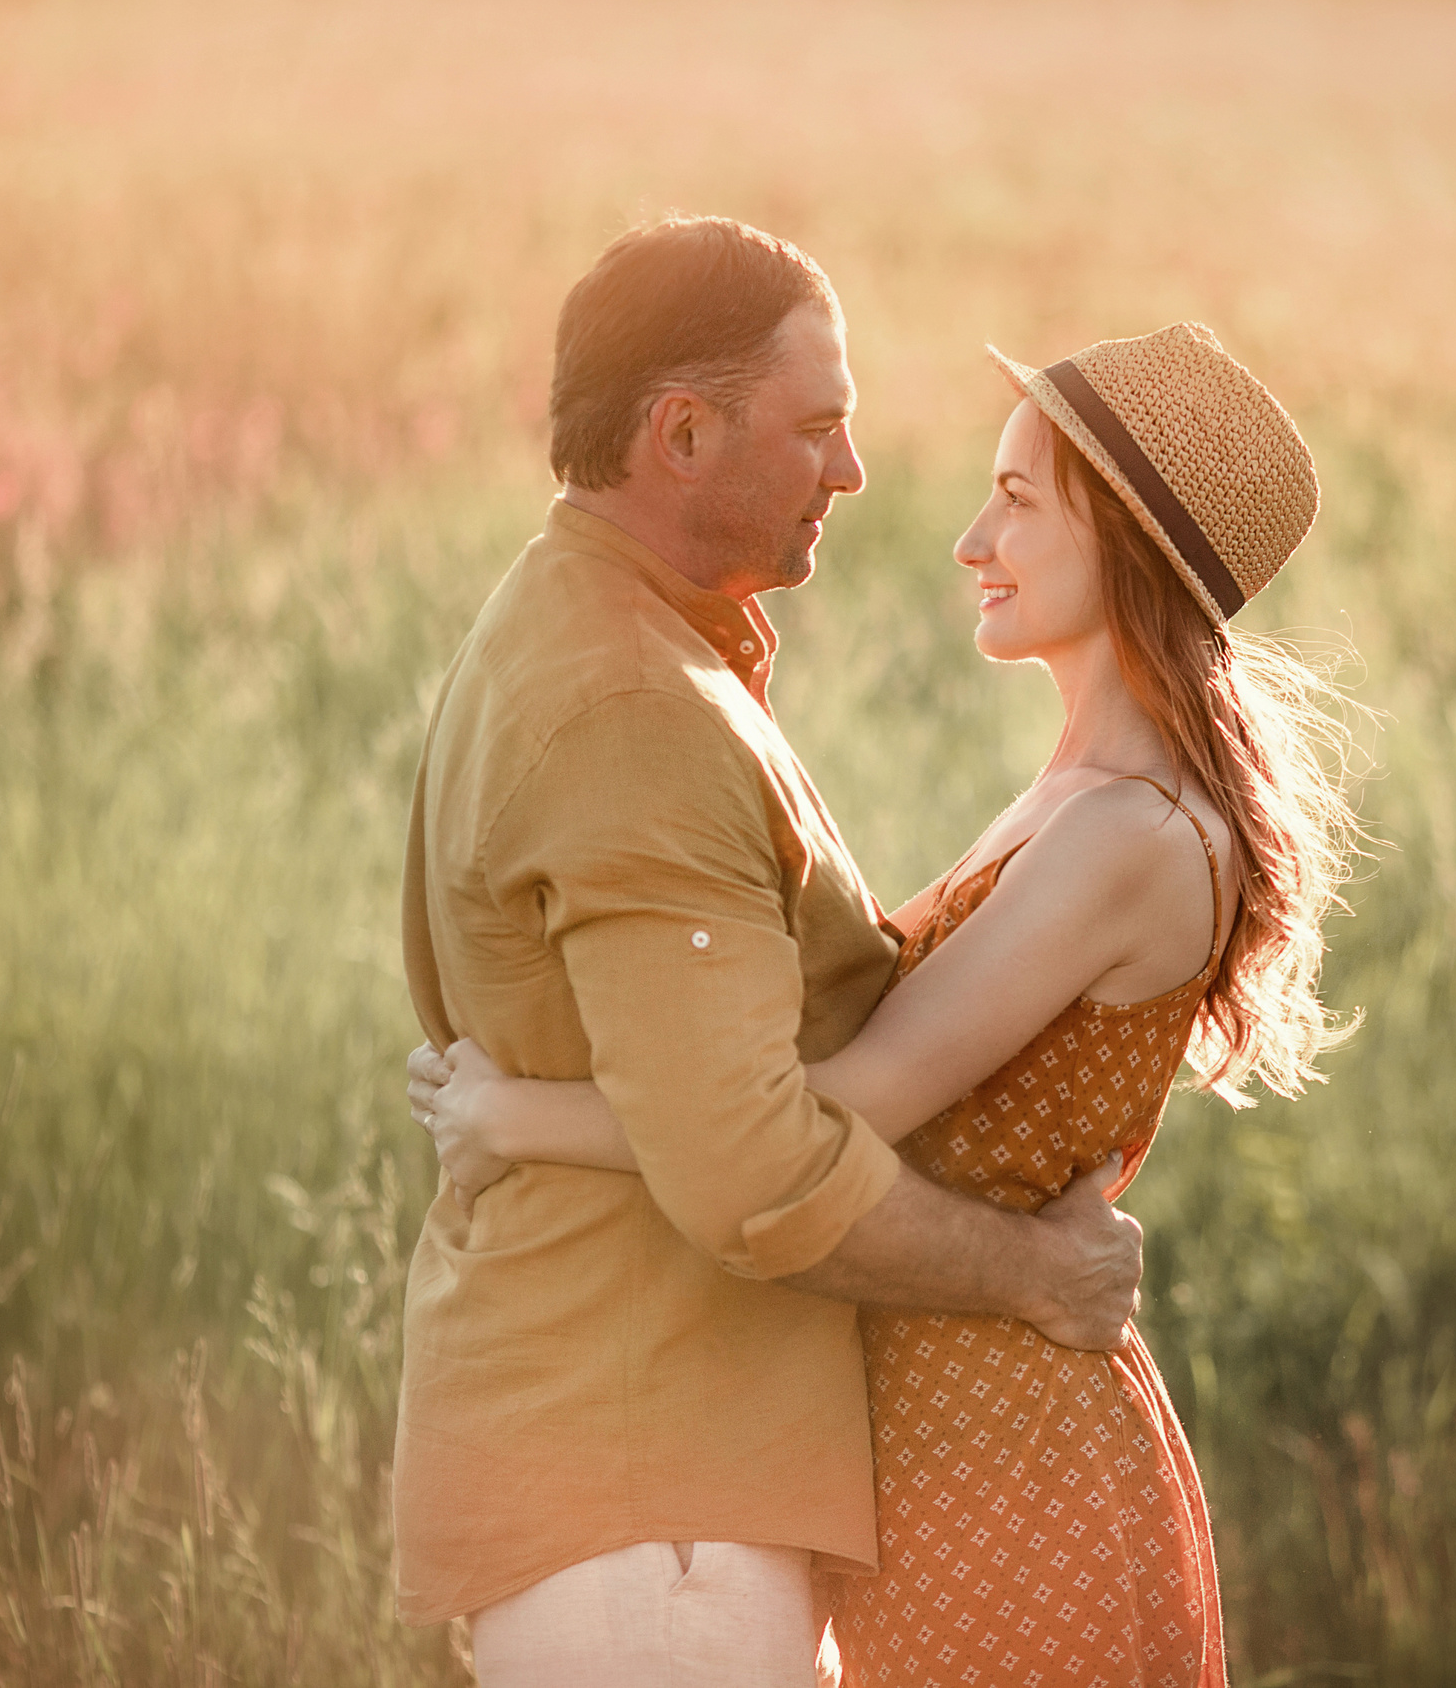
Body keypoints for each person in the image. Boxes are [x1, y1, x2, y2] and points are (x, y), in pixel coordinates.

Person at [411, 319, 1362, 1686]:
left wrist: (518, 1114)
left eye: (1019, 503)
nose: (974, 541)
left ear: (1130, 550)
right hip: (937, 1443)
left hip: (1015, 1453)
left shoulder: (1132, 838)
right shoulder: (1074, 800)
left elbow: (835, 1109)